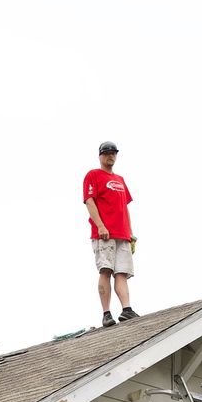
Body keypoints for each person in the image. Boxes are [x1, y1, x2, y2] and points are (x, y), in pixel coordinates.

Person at [83, 141, 137, 329]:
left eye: (113, 153)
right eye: (106, 153)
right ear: (100, 156)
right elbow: (89, 201)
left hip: (122, 233)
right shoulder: (93, 175)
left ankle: (126, 309)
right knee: (105, 270)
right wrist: (100, 226)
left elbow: (125, 207)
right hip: (104, 233)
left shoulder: (120, 180)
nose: (110, 156)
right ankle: (106, 313)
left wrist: (130, 232)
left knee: (122, 272)